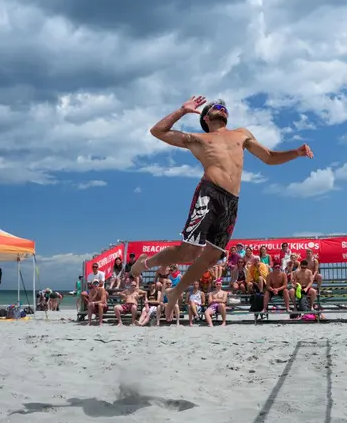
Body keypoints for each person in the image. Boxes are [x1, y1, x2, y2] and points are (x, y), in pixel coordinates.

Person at [131, 96, 313, 323]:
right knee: (188, 253)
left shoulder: (241, 134)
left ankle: (176, 292)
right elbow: (157, 131)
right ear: (206, 117)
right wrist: (182, 110)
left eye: (224, 107)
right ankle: (144, 263)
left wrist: (295, 152)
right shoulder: (198, 139)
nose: (222, 109)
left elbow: (268, 157)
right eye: (217, 107)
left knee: (211, 256)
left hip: (232, 202)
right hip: (210, 193)